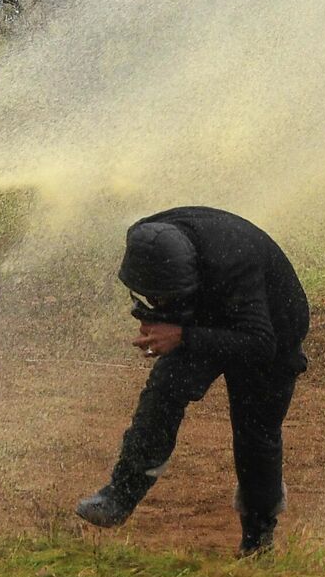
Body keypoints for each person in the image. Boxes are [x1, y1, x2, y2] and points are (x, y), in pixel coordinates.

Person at [75, 206, 309, 555]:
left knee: (255, 433)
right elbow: (155, 293)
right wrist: (158, 317)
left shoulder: (234, 263)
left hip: (271, 333)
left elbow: (260, 343)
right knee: (162, 391)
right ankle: (119, 497)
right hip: (209, 314)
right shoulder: (146, 236)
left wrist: (183, 335)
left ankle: (258, 541)